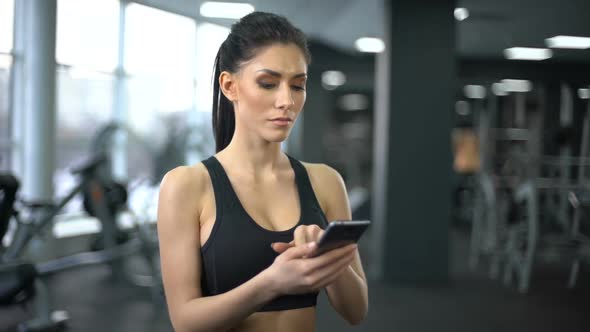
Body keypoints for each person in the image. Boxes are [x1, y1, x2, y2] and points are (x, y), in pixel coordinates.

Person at [157, 11, 368, 332]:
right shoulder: (186, 185)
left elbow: (356, 311)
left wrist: (328, 260)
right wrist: (272, 282)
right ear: (230, 86)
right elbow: (186, 322)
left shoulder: (325, 181)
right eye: (268, 84)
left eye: (298, 86)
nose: (287, 100)